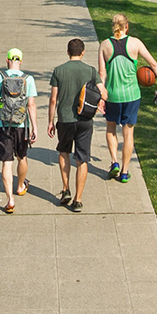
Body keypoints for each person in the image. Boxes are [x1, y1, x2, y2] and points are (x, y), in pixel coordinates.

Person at [98, 12, 157, 184]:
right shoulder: (135, 43)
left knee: (110, 129)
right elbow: (153, 64)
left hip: (112, 95)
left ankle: (114, 161)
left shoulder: (105, 45)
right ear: (126, 26)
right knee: (128, 134)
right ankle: (125, 171)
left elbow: (101, 73)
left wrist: (101, 95)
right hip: (131, 96)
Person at [47, 38, 98, 212]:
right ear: (83, 52)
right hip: (84, 120)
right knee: (82, 159)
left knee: (64, 153)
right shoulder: (91, 71)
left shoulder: (59, 71)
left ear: (67, 52)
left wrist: (50, 121)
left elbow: (54, 98)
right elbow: (103, 93)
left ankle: (66, 188)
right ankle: (78, 199)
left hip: (65, 119)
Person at [0, 48, 38, 213]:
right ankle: (20, 186)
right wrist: (35, 127)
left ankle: (10, 200)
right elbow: (31, 105)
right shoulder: (28, 79)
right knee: (22, 157)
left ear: (7, 60)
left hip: (4, 125)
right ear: (21, 61)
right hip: (22, 125)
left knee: (7, 162)